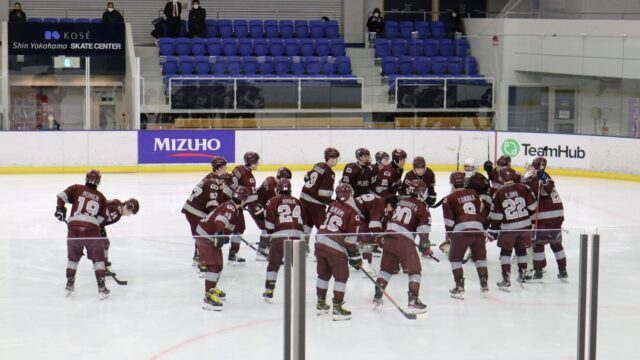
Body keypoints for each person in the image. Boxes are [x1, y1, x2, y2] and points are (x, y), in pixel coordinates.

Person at [373, 179, 430, 314]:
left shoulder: (401, 201)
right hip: (404, 240)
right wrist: (424, 243)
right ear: (421, 193)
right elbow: (423, 228)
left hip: (389, 237)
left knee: (386, 269)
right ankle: (413, 300)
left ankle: (377, 297)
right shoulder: (422, 206)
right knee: (415, 271)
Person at [55, 170, 109, 299]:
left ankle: (69, 285)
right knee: (98, 259)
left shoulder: (77, 188)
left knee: (72, 259)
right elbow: (103, 218)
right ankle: (101, 289)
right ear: (99, 181)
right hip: (92, 230)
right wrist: (96, 226)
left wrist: (60, 209)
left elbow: (61, 196)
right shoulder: (101, 197)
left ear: (86, 178)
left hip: (74, 227)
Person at [195, 185, 250, 311]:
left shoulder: (233, 207)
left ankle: (212, 288)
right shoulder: (230, 207)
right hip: (206, 235)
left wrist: (222, 235)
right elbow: (220, 221)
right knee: (214, 265)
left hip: (208, 234)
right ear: (243, 200)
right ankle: (208, 296)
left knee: (219, 264)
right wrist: (219, 234)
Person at [315, 184, 362, 321]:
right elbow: (350, 240)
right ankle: (337, 307)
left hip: (319, 241)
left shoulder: (332, 205)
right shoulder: (353, 213)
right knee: (341, 277)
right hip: (334, 246)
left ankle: (321, 303)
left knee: (323, 274)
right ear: (351, 195)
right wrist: (355, 257)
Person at [487, 167, 538, 291]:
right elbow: (533, 207)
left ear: (500, 178)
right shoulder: (524, 188)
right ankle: (522, 274)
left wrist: (493, 230)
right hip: (525, 226)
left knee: (506, 252)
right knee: (521, 250)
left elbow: (497, 216)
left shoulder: (498, 193)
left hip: (509, 228)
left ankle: (506, 278)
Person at [442, 172, 489, 300]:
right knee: (480, 258)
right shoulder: (474, 193)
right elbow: (481, 209)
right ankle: (484, 285)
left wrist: (450, 236)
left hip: (461, 231)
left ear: (452, 183)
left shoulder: (448, 198)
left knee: (455, 259)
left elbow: (449, 222)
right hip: (478, 230)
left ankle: (459, 287)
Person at [262, 179, 308, 303]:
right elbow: (303, 221)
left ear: (278, 189)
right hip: (297, 237)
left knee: (273, 264)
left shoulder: (273, 201)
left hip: (279, 236)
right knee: (298, 266)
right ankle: (299, 293)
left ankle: (269, 291)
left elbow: (269, 223)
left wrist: (270, 235)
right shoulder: (298, 202)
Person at [526, 157, 568, 282]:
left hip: (546, 216)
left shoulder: (539, 177)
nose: (530, 168)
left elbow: (545, 189)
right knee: (556, 244)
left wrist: (530, 180)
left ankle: (538, 272)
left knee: (538, 244)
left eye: (531, 166)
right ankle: (563, 270)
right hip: (557, 214)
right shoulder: (543, 176)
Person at [182, 157, 227, 268]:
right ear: (219, 168)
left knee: (200, 235)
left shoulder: (212, 177)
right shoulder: (213, 182)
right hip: (195, 212)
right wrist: (216, 221)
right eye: (224, 166)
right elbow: (212, 205)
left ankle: (197, 258)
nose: (226, 168)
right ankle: (202, 264)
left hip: (192, 210)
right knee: (204, 235)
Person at [300, 147, 340, 252]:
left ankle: (302, 246)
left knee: (307, 223)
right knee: (322, 226)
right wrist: (331, 201)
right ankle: (320, 250)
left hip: (304, 198)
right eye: (334, 158)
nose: (336, 160)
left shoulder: (318, 165)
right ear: (329, 158)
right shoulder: (330, 173)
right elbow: (324, 193)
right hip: (315, 203)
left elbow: (306, 176)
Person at [229, 152, 264, 262]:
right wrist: (258, 208)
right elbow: (252, 199)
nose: (258, 164)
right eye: (256, 162)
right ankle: (232, 254)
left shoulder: (238, 168)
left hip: (227, 200)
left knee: (230, 228)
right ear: (252, 163)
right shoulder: (250, 178)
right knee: (238, 228)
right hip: (235, 205)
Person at [101, 198, 140, 275]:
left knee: (105, 243)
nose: (128, 215)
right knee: (104, 244)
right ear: (127, 207)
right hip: (93, 223)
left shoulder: (117, 202)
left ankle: (103, 262)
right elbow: (102, 218)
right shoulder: (117, 213)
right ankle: (102, 267)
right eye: (130, 212)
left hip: (95, 220)